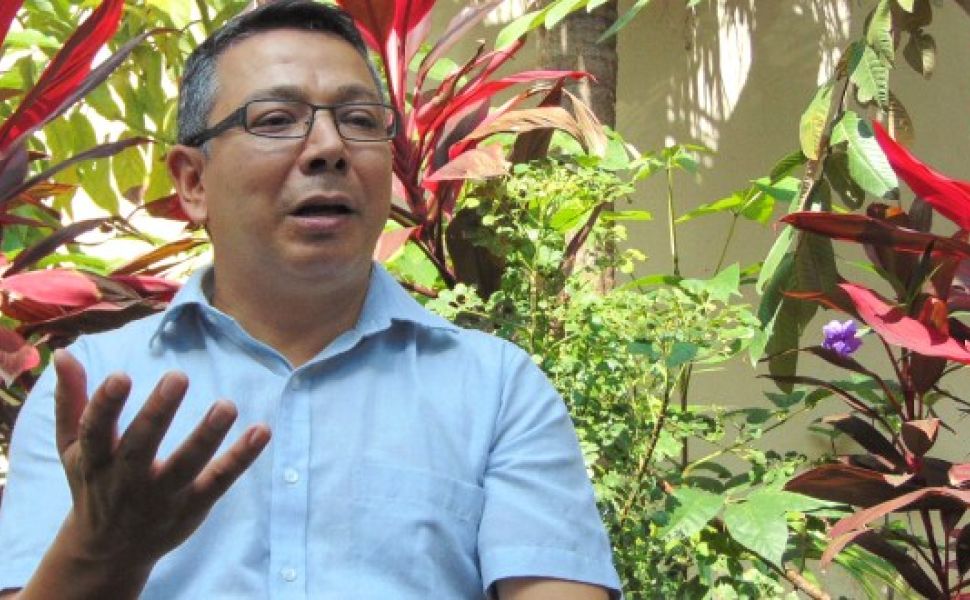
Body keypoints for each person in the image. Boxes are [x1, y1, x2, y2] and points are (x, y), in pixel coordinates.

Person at [0, 2, 621, 598]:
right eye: (275, 119)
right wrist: (99, 552)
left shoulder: (495, 390)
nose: (330, 148)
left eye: (360, 120)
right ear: (192, 182)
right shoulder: (90, 391)